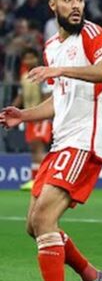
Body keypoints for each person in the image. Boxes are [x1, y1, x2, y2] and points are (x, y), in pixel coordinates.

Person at [0, 0, 102, 281]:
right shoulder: (52, 46)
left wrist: (60, 71)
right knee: (33, 225)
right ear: (53, 4)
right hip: (60, 142)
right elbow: (60, 99)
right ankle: (91, 276)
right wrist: (25, 115)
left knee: (43, 219)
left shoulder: (91, 34)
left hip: (83, 141)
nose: (76, 5)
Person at [13, 48, 52, 191]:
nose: (29, 60)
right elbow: (21, 96)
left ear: (37, 58)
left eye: (31, 57)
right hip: (29, 118)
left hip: (40, 118)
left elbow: (47, 96)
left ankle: (42, 180)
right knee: (34, 148)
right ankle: (36, 179)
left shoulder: (42, 75)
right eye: (26, 58)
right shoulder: (24, 77)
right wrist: (11, 109)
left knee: (39, 147)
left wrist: (41, 114)